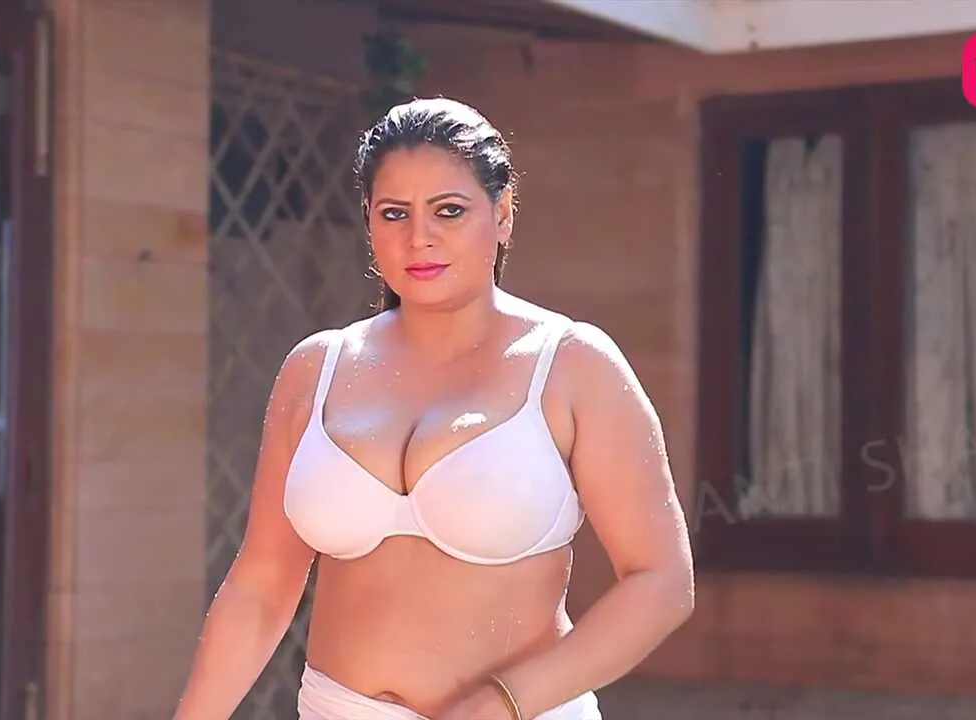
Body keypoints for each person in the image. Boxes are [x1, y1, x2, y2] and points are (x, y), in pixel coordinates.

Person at [174, 97, 695, 720]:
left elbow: (661, 582)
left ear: (503, 213)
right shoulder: (315, 370)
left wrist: (504, 702)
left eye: (449, 210)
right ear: (369, 222)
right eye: (394, 213)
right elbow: (260, 588)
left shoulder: (573, 366)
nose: (419, 237)